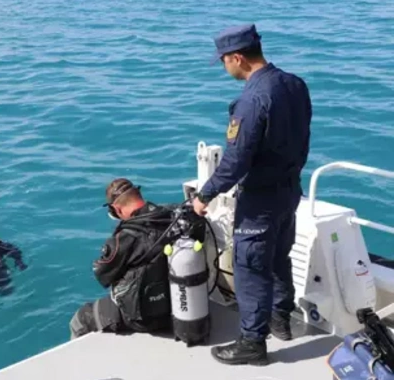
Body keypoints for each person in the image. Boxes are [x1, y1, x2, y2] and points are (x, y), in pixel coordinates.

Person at [192, 24, 312, 365]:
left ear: (237, 58)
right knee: (278, 258)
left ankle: (252, 343)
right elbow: (303, 137)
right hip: (289, 192)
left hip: (259, 199)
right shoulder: (294, 84)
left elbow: (236, 160)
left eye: (223, 61)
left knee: (251, 267)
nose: (223, 67)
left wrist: (205, 195)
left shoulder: (252, 100)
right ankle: (280, 320)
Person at [69, 178, 177, 339]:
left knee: (80, 319)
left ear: (116, 209)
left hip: (145, 319)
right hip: (178, 307)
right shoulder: (172, 217)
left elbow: (103, 276)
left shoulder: (124, 239)